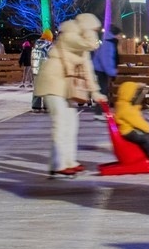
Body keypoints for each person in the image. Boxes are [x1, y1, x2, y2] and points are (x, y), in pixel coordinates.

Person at [33, 13, 106, 176]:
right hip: (52, 82)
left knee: (72, 123)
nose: (95, 33)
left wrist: (95, 92)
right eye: (93, 29)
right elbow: (91, 44)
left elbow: (87, 69)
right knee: (60, 122)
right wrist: (89, 32)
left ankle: (69, 161)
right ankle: (58, 165)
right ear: (86, 27)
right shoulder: (69, 36)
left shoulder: (81, 45)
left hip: (65, 85)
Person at [92, 25, 122, 120]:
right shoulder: (108, 44)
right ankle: (98, 113)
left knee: (103, 91)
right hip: (101, 70)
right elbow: (106, 60)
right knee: (102, 91)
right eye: (119, 35)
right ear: (115, 34)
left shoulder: (110, 42)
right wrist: (112, 72)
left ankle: (100, 112)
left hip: (101, 69)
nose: (120, 37)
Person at [31, 29, 53, 113]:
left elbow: (32, 58)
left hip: (36, 70)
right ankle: (46, 105)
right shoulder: (49, 46)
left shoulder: (35, 46)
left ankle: (36, 105)